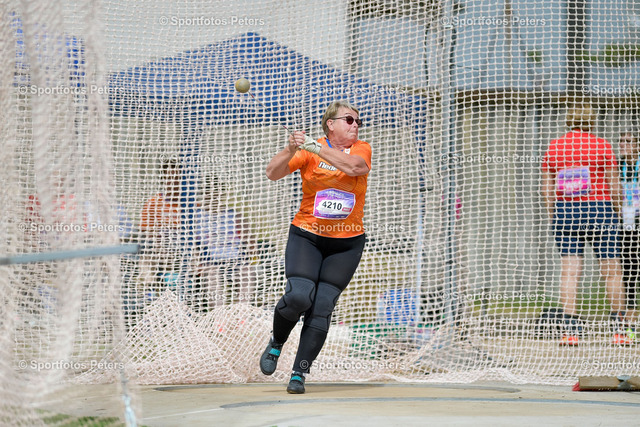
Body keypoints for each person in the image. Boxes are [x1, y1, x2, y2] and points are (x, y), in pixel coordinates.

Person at [259, 100, 371, 394]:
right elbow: (272, 172)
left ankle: (299, 373)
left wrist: (315, 148)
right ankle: (277, 342)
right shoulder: (310, 150)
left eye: (358, 121)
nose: (355, 125)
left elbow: (354, 167)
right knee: (299, 296)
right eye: (349, 120)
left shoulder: (360, 149)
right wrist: (290, 149)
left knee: (322, 307)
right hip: (307, 236)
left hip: (346, 244)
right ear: (330, 124)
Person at [541, 103, 634, 346]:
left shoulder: (554, 147)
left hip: (566, 211)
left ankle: (570, 330)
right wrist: (617, 213)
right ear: (591, 121)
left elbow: (547, 189)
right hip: (600, 210)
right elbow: (615, 185)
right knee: (612, 270)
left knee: (569, 272)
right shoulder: (602, 145)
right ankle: (621, 330)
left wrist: (554, 215)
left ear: (568, 120)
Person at [192, 177, 256, 310]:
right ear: (204, 193)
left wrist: (252, 251)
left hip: (235, 257)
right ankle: (218, 313)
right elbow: (194, 243)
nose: (213, 196)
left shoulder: (233, 215)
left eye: (217, 192)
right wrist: (197, 260)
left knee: (247, 272)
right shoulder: (197, 216)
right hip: (211, 259)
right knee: (213, 276)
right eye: (210, 192)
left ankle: (243, 311)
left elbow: (248, 238)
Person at [618, 129, 640, 312]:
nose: (622, 144)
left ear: (637, 146)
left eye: (628, 141)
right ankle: (630, 305)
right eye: (621, 141)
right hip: (624, 218)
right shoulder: (617, 166)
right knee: (627, 261)